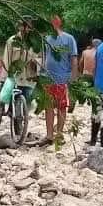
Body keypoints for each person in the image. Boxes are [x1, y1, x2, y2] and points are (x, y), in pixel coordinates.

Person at [43, 15, 79, 144]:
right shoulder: (46, 39)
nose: (53, 22)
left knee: (62, 106)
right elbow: (43, 57)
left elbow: (74, 58)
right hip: (48, 78)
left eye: (55, 20)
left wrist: (73, 78)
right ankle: (49, 135)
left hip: (63, 78)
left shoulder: (69, 38)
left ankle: (59, 134)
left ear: (60, 22)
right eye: (51, 20)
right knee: (48, 106)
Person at [3, 19, 41, 108]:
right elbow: (6, 59)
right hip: (15, 77)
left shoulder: (33, 42)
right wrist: (7, 75)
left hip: (27, 79)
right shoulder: (12, 41)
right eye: (26, 27)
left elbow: (36, 59)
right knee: (12, 104)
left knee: (27, 106)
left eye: (29, 27)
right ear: (20, 27)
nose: (28, 29)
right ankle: (12, 115)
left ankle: (24, 120)